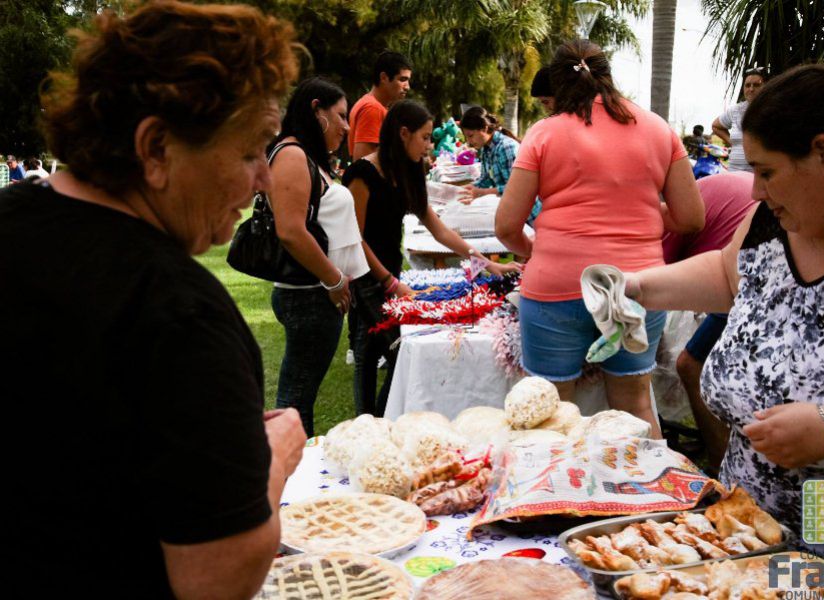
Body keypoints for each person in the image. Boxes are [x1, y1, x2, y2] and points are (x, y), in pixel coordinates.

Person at [2, 2, 305, 597]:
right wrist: (272, 458)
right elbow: (216, 578)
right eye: (250, 151)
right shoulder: (178, 317)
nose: (263, 179)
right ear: (157, 147)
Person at [627, 57, 824, 569]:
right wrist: (637, 285)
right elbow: (733, 276)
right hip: (746, 517)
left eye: (766, 171)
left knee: (816, 577)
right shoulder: (774, 217)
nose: (754, 190)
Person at [496, 40, 704, 439]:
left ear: (556, 84)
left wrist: (537, 251)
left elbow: (507, 226)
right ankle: (651, 497)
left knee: (550, 415)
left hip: (556, 286)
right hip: (637, 287)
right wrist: (637, 209)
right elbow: (691, 217)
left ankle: (559, 501)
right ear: (608, 75)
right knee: (636, 406)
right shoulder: (658, 129)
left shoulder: (544, 133)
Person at [344, 100, 521, 418]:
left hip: (391, 275)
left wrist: (488, 264)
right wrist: (390, 282)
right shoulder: (362, 173)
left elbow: (440, 231)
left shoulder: (408, 172)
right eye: (425, 137)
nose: (429, 145)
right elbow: (354, 239)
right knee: (376, 355)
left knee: (380, 354)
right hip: (368, 278)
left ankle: (377, 421)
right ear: (403, 134)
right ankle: (369, 421)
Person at [266, 77, 368, 437]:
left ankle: (291, 469)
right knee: (295, 398)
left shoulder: (306, 155)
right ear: (315, 110)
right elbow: (290, 230)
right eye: (340, 116)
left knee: (299, 396)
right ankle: (290, 475)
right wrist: (334, 278)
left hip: (316, 293)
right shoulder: (292, 154)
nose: (346, 126)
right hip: (308, 294)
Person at [661, 171, 756, 472]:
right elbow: (722, 265)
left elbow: (661, 272)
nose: (761, 188)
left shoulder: (667, 220)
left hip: (744, 286)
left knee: (690, 364)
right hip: (741, 282)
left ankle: (718, 462)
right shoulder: (756, 208)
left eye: (767, 172)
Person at [347, 51, 412, 161]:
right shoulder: (372, 109)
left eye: (408, 81)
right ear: (384, 78)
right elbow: (363, 164)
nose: (407, 87)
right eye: (402, 80)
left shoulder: (372, 105)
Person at [711, 67, 767, 172]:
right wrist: (731, 142)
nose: (751, 89)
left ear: (765, 87)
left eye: (756, 85)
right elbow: (716, 126)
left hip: (759, 177)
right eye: (747, 85)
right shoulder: (735, 110)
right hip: (734, 173)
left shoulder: (774, 110)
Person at [460, 105, 520, 202]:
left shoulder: (506, 147)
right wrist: (464, 189)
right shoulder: (486, 149)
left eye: (471, 136)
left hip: (525, 212)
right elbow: (485, 180)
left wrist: (481, 192)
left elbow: (515, 189)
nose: (469, 141)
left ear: (484, 128)